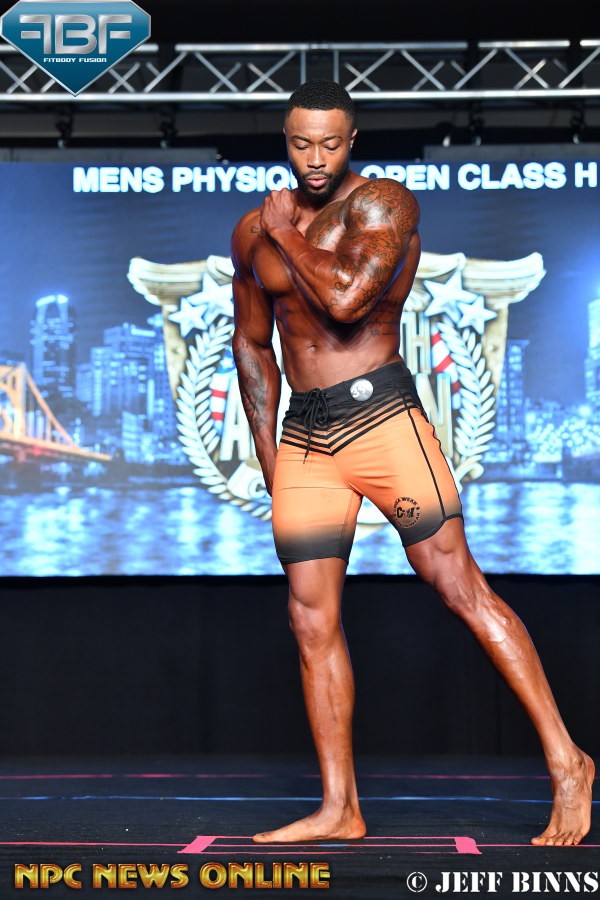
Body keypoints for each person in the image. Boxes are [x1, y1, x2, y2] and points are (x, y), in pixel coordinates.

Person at [230, 79, 594, 847]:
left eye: (331, 143)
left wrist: (285, 232)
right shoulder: (250, 232)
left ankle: (569, 762)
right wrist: (269, 455)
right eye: (302, 143)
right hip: (306, 439)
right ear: (285, 140)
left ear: (352, 141)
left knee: (459, 587)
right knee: (309, 618)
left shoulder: (383, 205)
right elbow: (253, 342)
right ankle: (340, 808)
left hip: (383, 421)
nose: (316, 158)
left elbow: (346, 300)